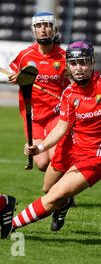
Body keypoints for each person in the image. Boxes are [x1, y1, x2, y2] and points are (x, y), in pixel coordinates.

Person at [11, 41, 101, 234]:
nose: (79, 68)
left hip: (97, 155)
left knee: (55, 195)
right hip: (70, 147)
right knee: (48, 188)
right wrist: (42, 148)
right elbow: (61, 128)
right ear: (68, 65)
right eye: (74, 63)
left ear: (92, 61)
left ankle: (9, 226)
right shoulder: (68, 93)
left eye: (84, 62)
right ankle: (64, 205)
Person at [8, 12, 70, 172]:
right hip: (33, 116)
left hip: (57, 114)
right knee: (42, 164)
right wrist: (16, 79)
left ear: (54, 29)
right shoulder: (25, 55)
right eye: (39, 26)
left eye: (48, 25)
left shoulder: (63, 57)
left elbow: (74, 84)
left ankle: (63, 195)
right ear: (33, 30)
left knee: (56, 157)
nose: (43, 29)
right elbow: (16, 75)